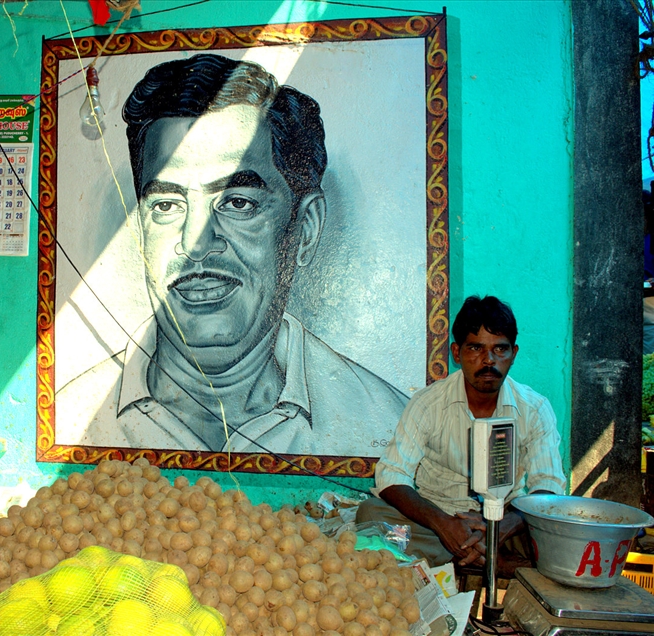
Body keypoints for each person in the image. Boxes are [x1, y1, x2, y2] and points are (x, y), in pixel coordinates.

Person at [55, 53, 408, 455]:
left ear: (305, 230)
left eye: (237, 202)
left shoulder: (387, 427)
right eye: (166, 206)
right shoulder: (71, 416)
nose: (196, 244)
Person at [357, 295, 565, 569]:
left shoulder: (534, 409)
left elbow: (548, 486)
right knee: (370, 515)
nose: (488, 360)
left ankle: (464, 555)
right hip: (437, 520)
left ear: (514, 354)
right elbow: (391, 474)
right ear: (457, 353)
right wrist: (444, 524)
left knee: (555, 531)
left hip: (507, 522)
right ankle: (489, 560)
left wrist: (501, 527)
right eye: (475, 348)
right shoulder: (428, 403)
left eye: (499, 350)